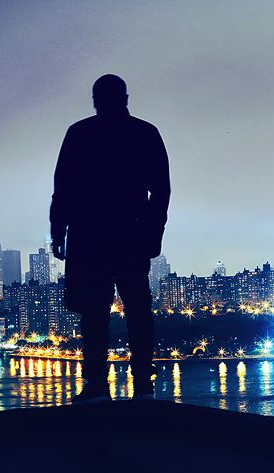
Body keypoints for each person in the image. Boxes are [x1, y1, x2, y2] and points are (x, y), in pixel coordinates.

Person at [50, 74, 171, 403]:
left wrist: (57, 232)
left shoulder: (80, 133)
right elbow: (160, 191)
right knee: (137, 309)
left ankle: (96, 385)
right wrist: (153, 232)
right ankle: (143, 385)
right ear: (127, 98)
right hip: (131, 233)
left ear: (94, 100)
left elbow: (63, 189)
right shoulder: (145, 133)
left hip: (90, 235)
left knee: (95, 311)